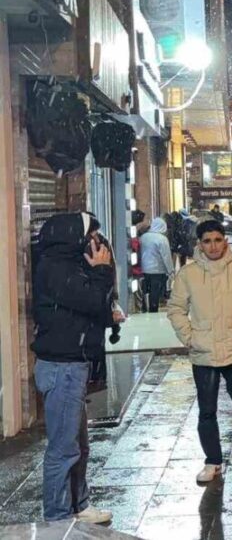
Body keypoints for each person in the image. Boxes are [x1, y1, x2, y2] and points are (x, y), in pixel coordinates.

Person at [31, 213, 120, 524]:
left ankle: (78, 505)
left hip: (71, 365)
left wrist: (109, 312)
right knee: (63, 448)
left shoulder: (69, 265)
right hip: (61, 367)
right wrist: (103, 271)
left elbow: (90, 306)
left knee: (78, 444)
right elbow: (90, 300)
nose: (97, 242)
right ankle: (57, 517)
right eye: (92, 235)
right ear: (73, 237)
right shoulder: (55, 268)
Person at [167, 220, 232, 483]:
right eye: (207, 241)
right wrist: (189, 337)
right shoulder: (188, 274)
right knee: (206, 410)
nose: (213, 246)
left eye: (218, 240)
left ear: (225, 241)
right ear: (200, 244)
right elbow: (175, 309)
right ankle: (212, 460)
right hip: (203, 351)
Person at [140, 217, 174, 312]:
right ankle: (153, 309)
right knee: (155, 292)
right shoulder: (162, 239)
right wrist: (170, 270)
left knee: (145, 290)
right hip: (158, 270)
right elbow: (166, 256)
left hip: (144, 269)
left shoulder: (143, 237)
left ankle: (144, 307)